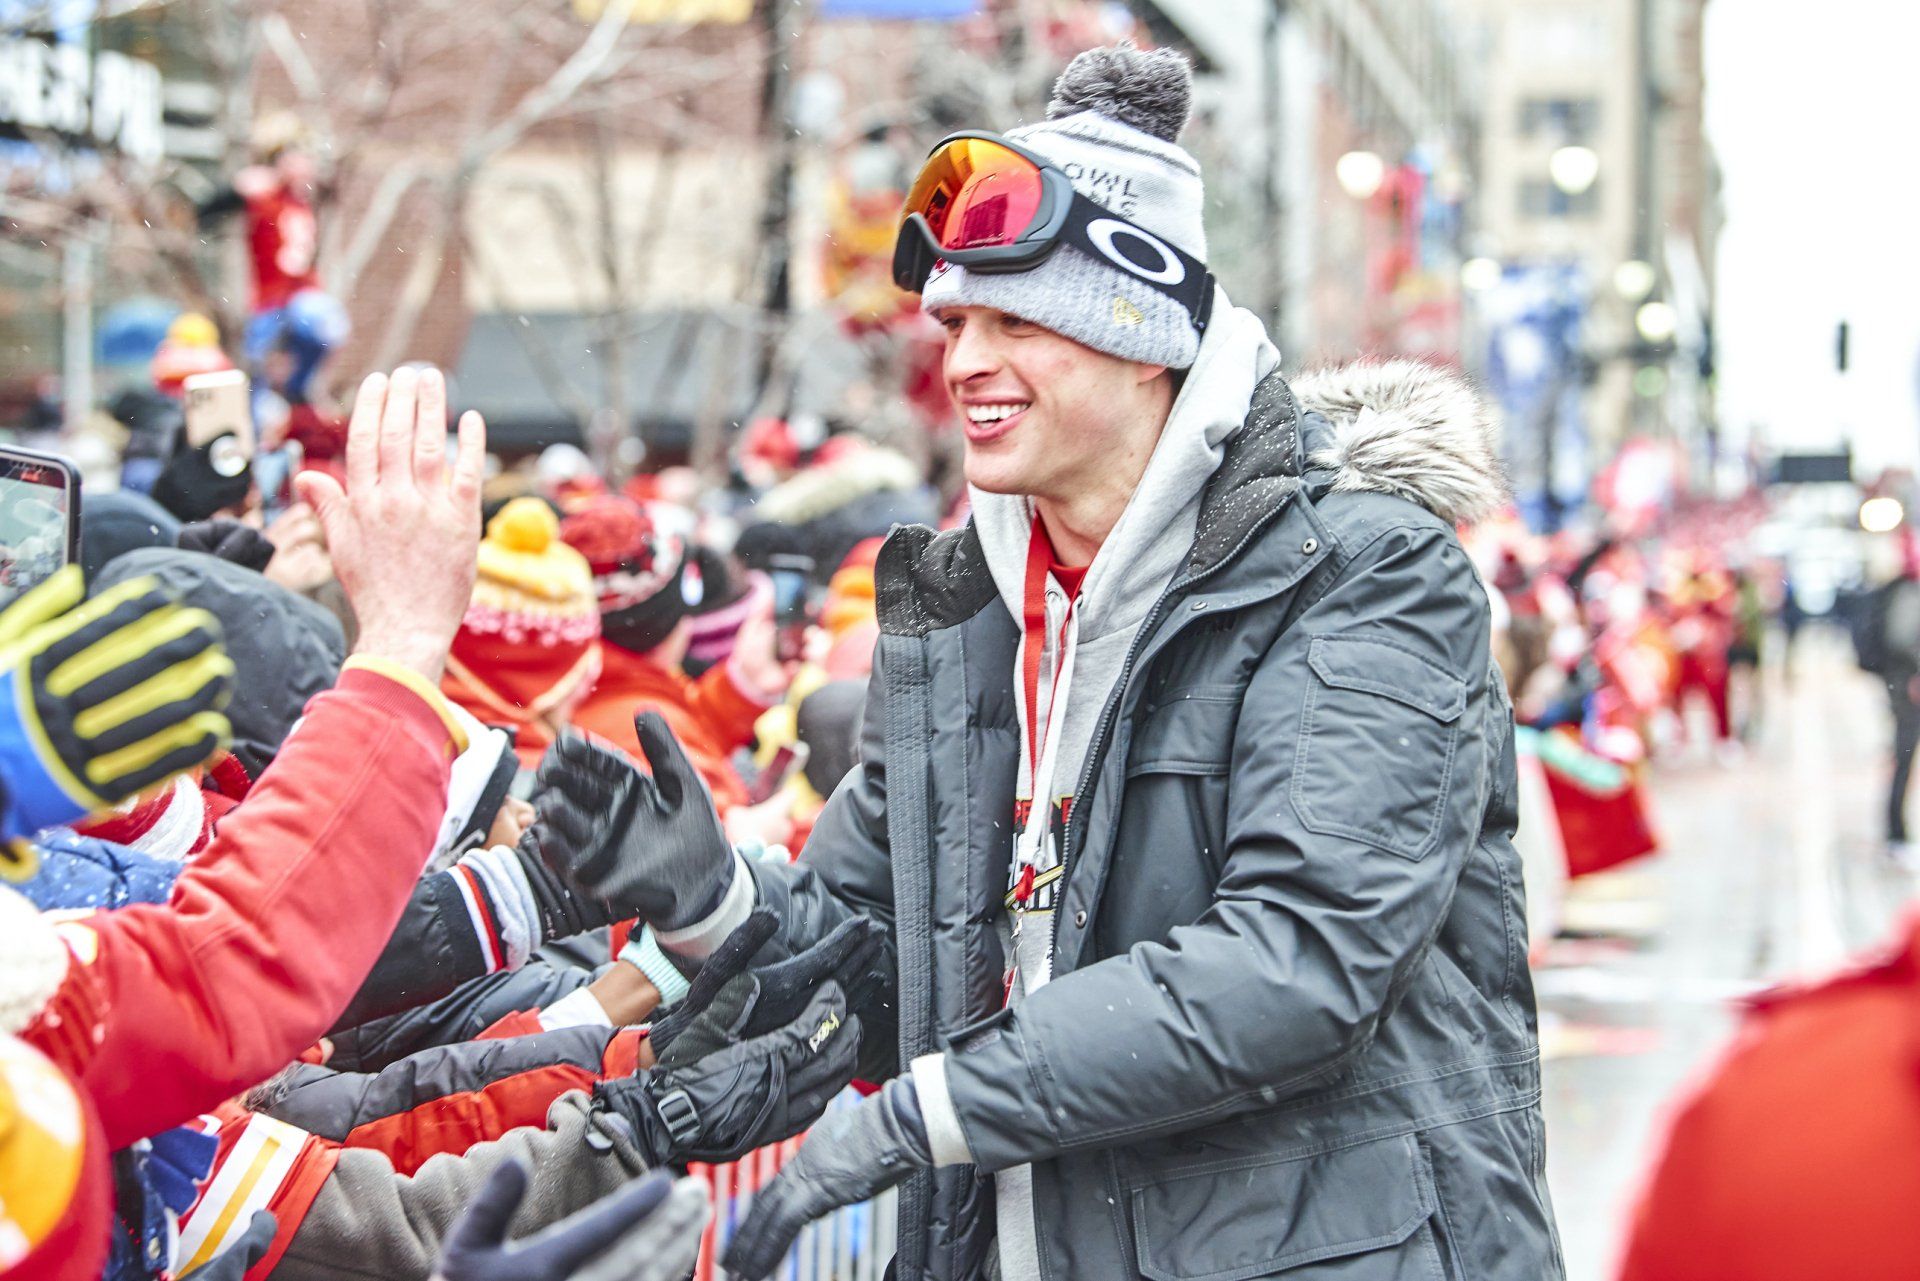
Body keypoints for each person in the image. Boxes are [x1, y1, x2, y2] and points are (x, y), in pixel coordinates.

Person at [544, 43, 1560, 1281]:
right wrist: (716, 901)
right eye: (957, 321)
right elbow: (894, 963)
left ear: (1145, 340)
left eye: (1018, 319)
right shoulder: (963, 617)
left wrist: (931, 1109)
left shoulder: (1364, 571)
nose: (965, 360)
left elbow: (1298, 964)